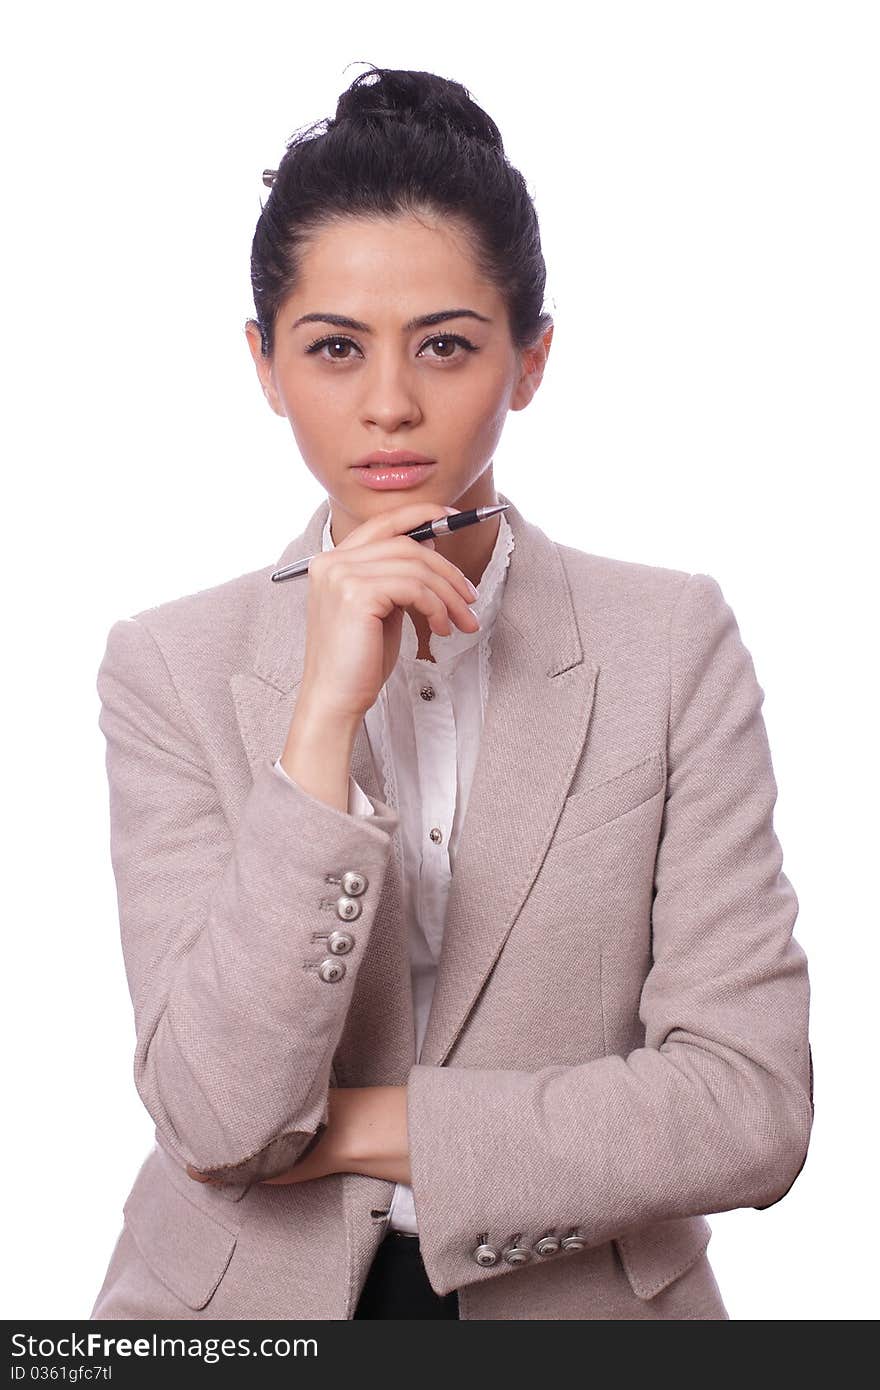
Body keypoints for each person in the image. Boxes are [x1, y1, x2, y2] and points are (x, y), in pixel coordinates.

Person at [90, 65, 812, 1322]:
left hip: (581, 1300)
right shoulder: (168, 666)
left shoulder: (669, 642)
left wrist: (377, 1125)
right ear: (264, 365)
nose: (387, 404)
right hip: (233, 1317)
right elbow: (214, 1115)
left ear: (530, 360)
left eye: (445, 345)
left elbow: (749, 1106)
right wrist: (320, 725)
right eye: (332, 348)